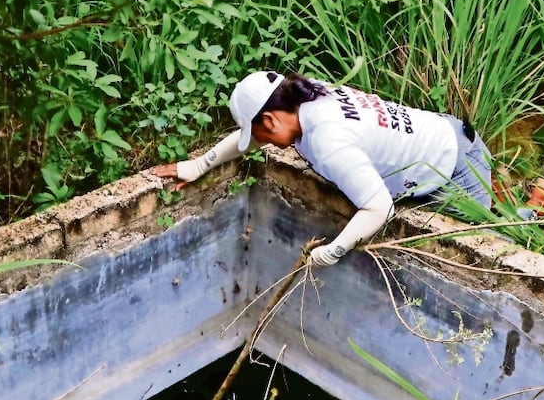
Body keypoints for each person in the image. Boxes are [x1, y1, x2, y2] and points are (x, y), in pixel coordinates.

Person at [150, 70, 497, 266]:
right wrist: (199, 165)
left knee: (485, 246)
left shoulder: (330, 142)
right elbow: (258, 138)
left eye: (259, 133)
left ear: (270, 119)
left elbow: (380, 208)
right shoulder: (307, 99)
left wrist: (333, 251)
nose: (262, 142)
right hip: (432, 135)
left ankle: (529, 216)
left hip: (455, 164)